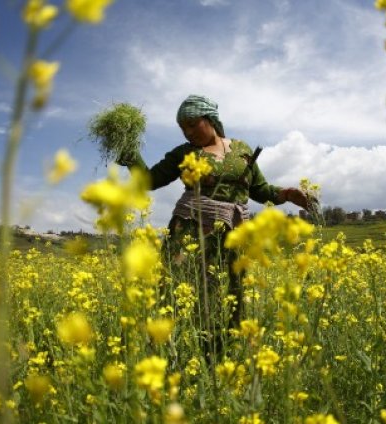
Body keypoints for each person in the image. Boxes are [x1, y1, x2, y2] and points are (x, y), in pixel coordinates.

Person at [128, 94, 311, 355]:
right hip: (191, 231)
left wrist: (288, 194)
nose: (188, 132)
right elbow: (148, 181)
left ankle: (219, 354)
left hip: (233, 233)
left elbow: (260, 190)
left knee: (228, 293)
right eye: (183, 128)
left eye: (193, 124)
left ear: (210, 119)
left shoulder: (241, 150)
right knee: (180, 288)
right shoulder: (184, 154)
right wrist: (130, 154)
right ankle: (168, 353)